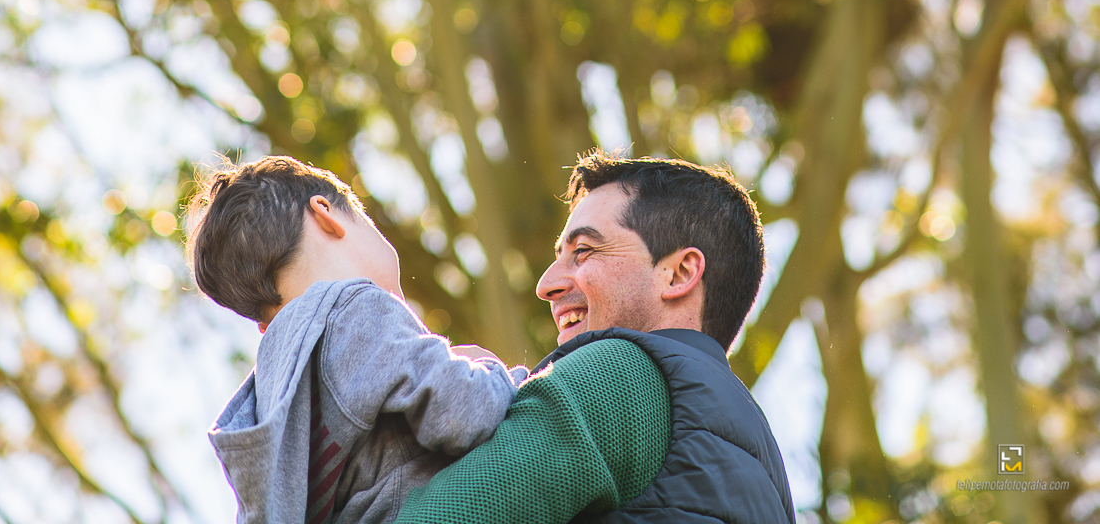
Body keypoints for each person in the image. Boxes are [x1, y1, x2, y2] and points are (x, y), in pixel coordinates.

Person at [394, 150, 796, 523]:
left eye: (583, 251)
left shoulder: (618, 374)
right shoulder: (767, 468)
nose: (546, 285)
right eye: (557, 257)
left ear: (678, 273)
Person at [187, 156, 527, 524]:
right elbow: (466, 414)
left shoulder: (273, 400)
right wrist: (489, 370)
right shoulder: (355, 309)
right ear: (325, 214)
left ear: (266, 327)